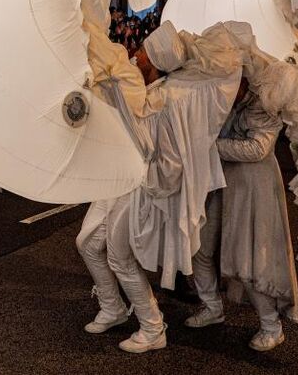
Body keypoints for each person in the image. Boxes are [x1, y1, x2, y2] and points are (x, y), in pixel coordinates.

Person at [78, 21, 240, 353]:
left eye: (142, 58)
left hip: (136, 187)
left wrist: (144, 176)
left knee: (120, 256)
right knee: (88, 244)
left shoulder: (168, 100)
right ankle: (112, 307)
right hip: (116, 180)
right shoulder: (151, 92)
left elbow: (170, 163)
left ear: (157, 62)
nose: (135, 62)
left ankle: (153, 327)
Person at [187, 77, 297, 352]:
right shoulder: (222, 101)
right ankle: (212, 307)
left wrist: (213, 147)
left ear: (244, 80)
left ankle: (271, 326)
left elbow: (259, 148)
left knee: (249, 258)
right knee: (199, 246)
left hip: (252, 189)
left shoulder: (264, 105)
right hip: (221, 184)